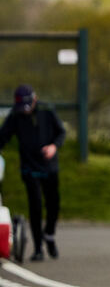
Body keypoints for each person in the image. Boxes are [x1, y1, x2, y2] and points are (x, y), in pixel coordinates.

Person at [0, 85, 66, 261]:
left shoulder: (47, 110)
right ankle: (38, 248)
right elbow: (3, 136)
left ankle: (49, 235)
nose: (25, 111)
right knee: (35, 206)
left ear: (34, 99)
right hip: (29, 167)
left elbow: (61, 132)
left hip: (49, 166)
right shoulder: (16, 115)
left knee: (53, 204)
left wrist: (54, 147)